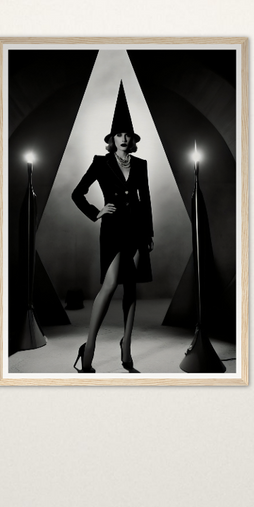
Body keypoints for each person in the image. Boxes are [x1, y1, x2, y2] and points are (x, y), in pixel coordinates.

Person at [69, 126, 154, 373]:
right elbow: (77, 193)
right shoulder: (101, 162)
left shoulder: (140, 164)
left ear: (133, 138)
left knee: (131, 287)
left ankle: (126, 348)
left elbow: (145, 200)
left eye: (128, 135)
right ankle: (90, 347)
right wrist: (97, 212)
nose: (124, 139)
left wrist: (149, 233)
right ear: (111, 139)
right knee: (110, 285)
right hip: (114, 229)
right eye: (119, 134)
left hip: (137, 230)